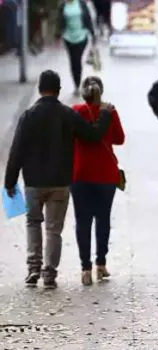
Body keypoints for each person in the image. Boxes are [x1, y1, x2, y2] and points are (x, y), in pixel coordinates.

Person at [3, 70, 113, 289]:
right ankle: (50, 273)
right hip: (61, 182)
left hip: (33, 182)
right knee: (53, 229)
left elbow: (17, 150)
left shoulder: (28, 115)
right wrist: (105, 115)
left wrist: (10, 180)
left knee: (33, 223)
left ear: (39, 88)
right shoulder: (67, 114)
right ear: (59, 90)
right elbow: (92, 135)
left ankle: (34, 267)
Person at [71, 76, 125, 286]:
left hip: (80, 174)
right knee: (103, 219)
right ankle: (101, 265)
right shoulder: (110, 111)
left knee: (82, 222)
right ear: (101, 92)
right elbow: (120, 139)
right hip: (105, 176)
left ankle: (85, 270)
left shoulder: (75, 111)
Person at [56, 0, 96, 96]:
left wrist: (93, 34)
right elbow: (59, 21)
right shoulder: (63, 5)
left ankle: (77, 85)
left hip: (82, 36)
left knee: (77, 60)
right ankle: (76, 84)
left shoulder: (81, 3)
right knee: (73, 61)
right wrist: (57, 35)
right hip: (68, 37)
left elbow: (88, 18)